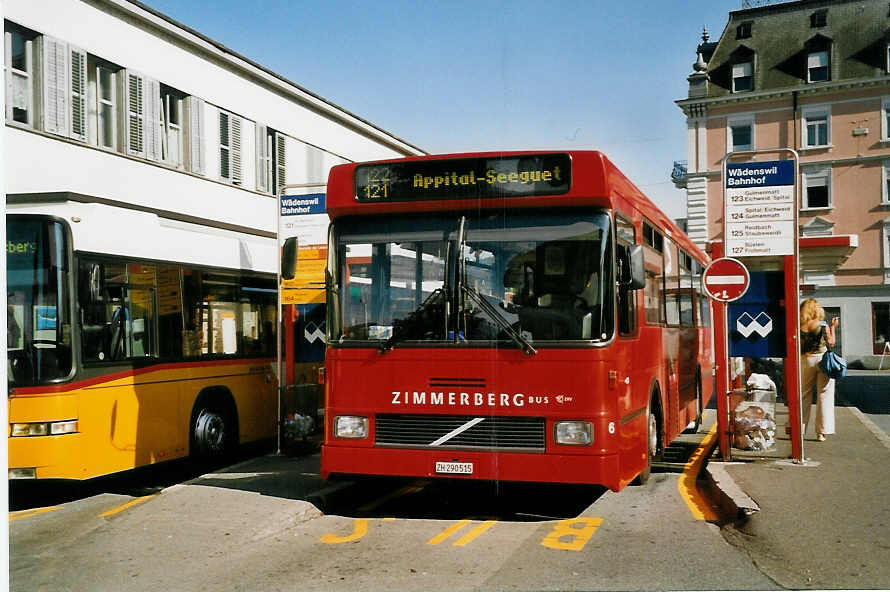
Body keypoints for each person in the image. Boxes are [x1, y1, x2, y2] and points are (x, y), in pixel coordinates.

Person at [798, 298, 838, 441]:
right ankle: (822, 431)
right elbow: (831, 343)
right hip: (822, 360)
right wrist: (833, 327)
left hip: (805, 359)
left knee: (803, 394)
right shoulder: (822, 324)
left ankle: (799, 430)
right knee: (824, 394)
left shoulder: (800, 325)